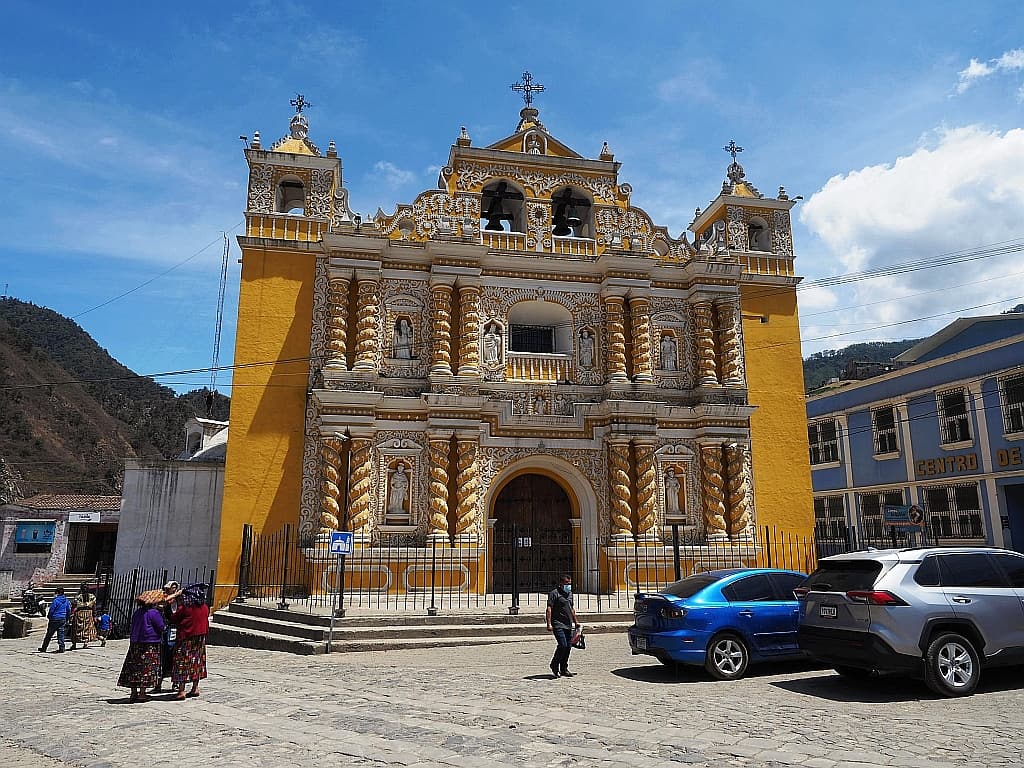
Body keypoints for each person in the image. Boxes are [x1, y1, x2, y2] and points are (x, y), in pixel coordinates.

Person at [117, 592, 166, 702]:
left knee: (134, 667)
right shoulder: (154, 613)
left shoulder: (137, 612)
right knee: (145, 668)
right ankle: (142, 693)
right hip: (149, 643)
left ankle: (133, 693)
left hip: (135, 643)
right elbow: (161, 627)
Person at [167, 583, 210, 700]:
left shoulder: (185, 608)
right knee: (197, 662)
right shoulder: (205, 607)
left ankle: (181, 690)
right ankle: (195, 687)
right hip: (200, 638)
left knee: (183, 662)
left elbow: (173, 618)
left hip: (186, 637)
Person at [545, 574, 579, 678]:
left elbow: (571, 608)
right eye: (566, 584)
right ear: (561, 584)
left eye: (569, 583)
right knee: (562, 645)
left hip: (568, 624)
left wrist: (576, 622)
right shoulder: (554, 594)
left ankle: (564, 668)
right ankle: (554, 665)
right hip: (558, 624)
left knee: (568, 646)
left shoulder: (570, 594)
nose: (568, 585)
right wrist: (549, 623)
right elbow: (549, 608)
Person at [151, 581, 180, 693]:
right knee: (163, 655)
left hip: (174, 628)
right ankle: (158, 683)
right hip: (166, 628)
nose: (173, 589)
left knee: (174, 653)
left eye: (175, 587)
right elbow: (163, 602)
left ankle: (175, 683)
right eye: (171, 587)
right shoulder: (164, 598)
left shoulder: (179, 599)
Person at [38, 587, 73, 653]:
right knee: (61, 634)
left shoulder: (55, 600)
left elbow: (51, 610)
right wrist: (67, 618)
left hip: (54, 619)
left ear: (58, 593)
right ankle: (62, 648)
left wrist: (49, 617)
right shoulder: (66, 601)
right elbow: (68, 610)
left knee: (49, 634)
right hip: (62, 619)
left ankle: (44, 648)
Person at [69, 582, 97, 650]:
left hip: (80, 613)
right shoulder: (92, 597)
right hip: (87, 613)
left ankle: (75, 644)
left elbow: (74, 606)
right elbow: (94, 607)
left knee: (77, 629)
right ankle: (84, 643)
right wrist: (94, 615)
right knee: (86, 629)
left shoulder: (77, 597)